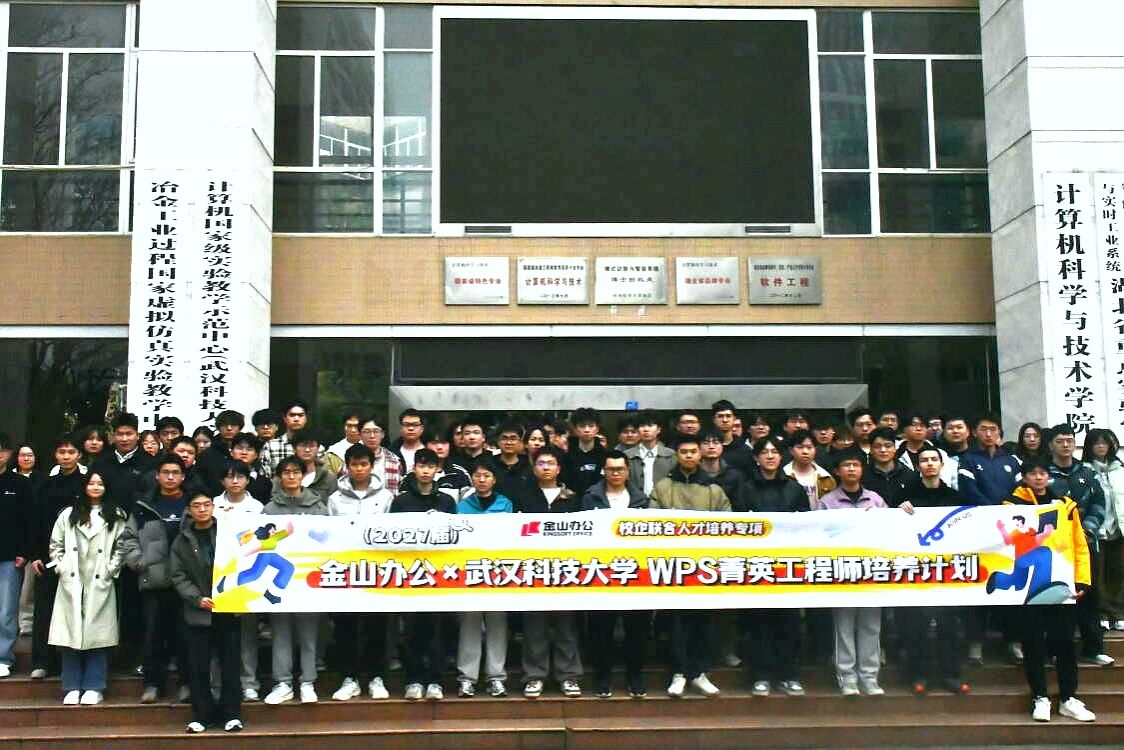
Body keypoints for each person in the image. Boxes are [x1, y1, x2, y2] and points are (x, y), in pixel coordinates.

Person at [997, 457, 1096, 723]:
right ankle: (1040, 697)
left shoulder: (1064, 505)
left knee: (1064, 643)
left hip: (1060, 583)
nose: (1039, 477)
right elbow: (1005, 544)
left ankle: (1068, 698)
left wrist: (1081, 580)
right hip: (1028, 586)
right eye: (1033, 473)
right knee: (1033, 643)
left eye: (1043, 473)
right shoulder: (1010, 506)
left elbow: (1078, 545)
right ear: (1024, 477)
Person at [650, 434, 729, 698]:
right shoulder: (663, 487)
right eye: (683, 452)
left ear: (700, 454)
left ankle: (699, 672)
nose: (688, 456)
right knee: (676, 622)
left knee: (703, 622)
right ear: (677, 455)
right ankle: (679, 672)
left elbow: (727, 525)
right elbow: (651, 523)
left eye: (693, 451)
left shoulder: (714, 490)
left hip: (705, 567)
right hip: (672, 566)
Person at [47, 470, 127, 705]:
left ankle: (94, 685)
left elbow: (121, 546)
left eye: (100, 483)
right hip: (72, 580)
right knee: (71, 634)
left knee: (97, 635)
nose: (95, 487)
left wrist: (110, 570)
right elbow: (55, 544)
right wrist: (61, 566)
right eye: (91, 483)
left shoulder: (115, 515)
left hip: (99, 580)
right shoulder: (68, 514)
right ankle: (72, 685)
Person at [896, 447, 970, 695]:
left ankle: (951, 674)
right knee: (916, 625)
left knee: (950, 624)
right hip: (916, 570)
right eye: (924, 460)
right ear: (918, 467)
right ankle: (918, 675)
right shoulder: (905, 497)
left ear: (941, 465)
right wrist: (899, 509)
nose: (929, 464)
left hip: (948, 570)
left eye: (934, 460)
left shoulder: (955, 497)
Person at [121, 453, 192, 703]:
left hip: (187, 582)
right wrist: (139, 562)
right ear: (158, 476)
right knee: (153, 635)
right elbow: (128, 538)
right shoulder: (144, 507)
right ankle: (152, 684)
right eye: (166, 473)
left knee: (186, 636)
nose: (170, 477)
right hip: (154, 579)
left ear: (183, 477)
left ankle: (186, 683)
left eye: (175, 473)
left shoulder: (193, 505)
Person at [170, 494, 244, 733]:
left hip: (227, 608)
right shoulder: (181, 540)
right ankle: (202, 715)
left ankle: (231, 714)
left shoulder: (228, 533)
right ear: (189, 510)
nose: (202, 509)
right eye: (196, 506)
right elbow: (178, 575)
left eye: (206, 505)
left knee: (230, 664)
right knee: (198, 666)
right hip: (197, 611)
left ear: (213, 507)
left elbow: (245, 561)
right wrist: (197, 598)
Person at [741, 436, 808, 697]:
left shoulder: (795, 489)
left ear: (782, 457)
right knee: (759, 624)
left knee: (789, 624)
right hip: (757, 564)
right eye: (764, 452)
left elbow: (806, 525)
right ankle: (760, 676)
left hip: (788, 565)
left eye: (774, 452)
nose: (770, 456)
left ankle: (789, 675)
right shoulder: (745, 488)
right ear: (756, 458)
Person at [817, 448, 887, 696]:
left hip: (872, 571)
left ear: (862, 469)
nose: (851, 469)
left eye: (856, 465)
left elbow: (892, 529)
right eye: (846, 465)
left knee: (871, 626)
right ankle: (847, 678)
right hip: (842, 572)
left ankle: (869, 677)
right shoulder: (827, 502)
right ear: (837, 471)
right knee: (844, 627)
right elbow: (819, 535)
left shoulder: (875, 500)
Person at [581, 450, 650, 698]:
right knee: (601, 629)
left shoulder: (641, 500)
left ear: (628, 471)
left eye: (620, 469)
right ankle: (603, 677)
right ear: (604, 471)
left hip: (635, 572)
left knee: (637, 629)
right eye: (611, 469)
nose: (616, 473)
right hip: (601, 571)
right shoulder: (591, 497)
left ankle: (635, 675)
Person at [328, 444, 394, 702]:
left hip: (377, 570)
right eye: (354, 464)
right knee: (346, 626)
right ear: (347, 467)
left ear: (371, 466)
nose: (359, 469)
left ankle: (376, 677)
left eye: (363, 464)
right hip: (345, 571)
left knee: (377, 626)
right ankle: (349, 678)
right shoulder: (335, 499)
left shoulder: (386, 496)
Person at [262, 456, 329, 705]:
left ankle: (308, 681)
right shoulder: (269, 509)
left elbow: (329, 539)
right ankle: (283, 683)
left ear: (303, 475)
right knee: (281, 632)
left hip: (308, 577)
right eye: (286, 472)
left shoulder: (317, 506)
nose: (291, 476)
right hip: (279, 578)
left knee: (308, 633)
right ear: (279, 477)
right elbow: (263, 544)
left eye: (296, 472)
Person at [520, 446, 585, 698]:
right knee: (534, 626)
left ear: (559, 468)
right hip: (532, 568)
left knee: (565, 626)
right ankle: (534, 676)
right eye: (541, 463)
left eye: (550, 463)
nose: (545, 467)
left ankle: (568, 676)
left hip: (565, 569)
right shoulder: (524, 496)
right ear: (534, 468)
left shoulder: (573, 498)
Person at [391, 452, 457, 701]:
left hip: (439, 574)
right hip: (409, 573)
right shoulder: (401, 501)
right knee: (412, 629)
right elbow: (390, 535)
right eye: (422, 466)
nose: (426, 471)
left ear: (437, 469)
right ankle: (414, 679)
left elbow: (456, 534)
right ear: (414, 468)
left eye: (431, 466)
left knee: (438, 629)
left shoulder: (446, 501)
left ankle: (436, 680)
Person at [1045, 423, 1112, 666]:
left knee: (1089, 596)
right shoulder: (1044, 473)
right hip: (1055, 547)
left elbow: (1099, 503)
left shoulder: (1087, 472)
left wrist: (1088, 528)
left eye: (1070, 441)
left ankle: (1093, 648)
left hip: (1085, 542)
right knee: (1057, 598)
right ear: (1050, 445)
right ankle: (1056, 650)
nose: (1066, 445)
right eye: (1060, 441)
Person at [960, 413, 1024, 664]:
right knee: (978, 587)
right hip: (979, 532)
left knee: (1010, 586)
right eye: (983, 429)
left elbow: (1020, 491)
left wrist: (1006, 511)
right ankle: (975, 644)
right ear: (975, 432)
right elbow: (969, 491)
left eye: (993, 429)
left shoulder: (1011, 461)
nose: (988, 434)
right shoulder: (968, 459)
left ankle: (1014, 641)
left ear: (1000, 433)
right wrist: (993, 512)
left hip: (1009, 534)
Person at [455, 456, 515, 698]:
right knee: (469, 625)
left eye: (487, 476)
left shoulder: (505, 504)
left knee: (497, 625)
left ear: (494, 479)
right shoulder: (462, 506)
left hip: (498, 572)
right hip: (469, 571)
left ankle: (496, 677)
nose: (482, 480)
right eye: (478, 475)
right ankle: (467, 678)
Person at [28, 435, 86, 679]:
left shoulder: (86, 484)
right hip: (48, 556)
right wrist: (35, 555)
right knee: (45, 610)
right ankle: (42, 661)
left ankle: (71, 663)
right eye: (62, 452)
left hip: (81, 557)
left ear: (79, 455)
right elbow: (34, 521)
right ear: (55, 455)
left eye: (71, 452)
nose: (66, 456)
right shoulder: (45, 484)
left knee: (76, 609)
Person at [210, 461, 265, 702]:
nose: (235, 481)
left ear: (247, 480)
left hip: (248, 575)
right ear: (222, 481)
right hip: (218, 574)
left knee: (247, 635)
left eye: (240, 477)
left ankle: (249, 683)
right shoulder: (212, 504)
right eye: (230, 477)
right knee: (217, 636)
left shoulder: (258, 507)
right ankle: (216, 684)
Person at [1083, 429, 1124, 631]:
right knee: (1097, 574)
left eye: (1104, 443)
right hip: (1096, 529)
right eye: (1097, 443)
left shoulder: (1119, 469)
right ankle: (1101, 613)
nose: (1101, 446)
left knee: (1117, 573)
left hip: (1119, 528)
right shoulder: (1085, 470)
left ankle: (1117, 612)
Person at [0, 433, 30, 679]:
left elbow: (27, 521)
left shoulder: (19, 483)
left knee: (6, 610)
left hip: (10, 555)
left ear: (9, 454)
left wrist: (24, 551)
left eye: (2, 450)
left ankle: (3, 656)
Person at [260, 400, 323, 478]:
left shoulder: (317, 448)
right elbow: (265, 478)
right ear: (284, 418)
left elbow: (322, 475)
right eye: (292, 415)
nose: (296, 419)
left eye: (300, 415)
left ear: (306, 418)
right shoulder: (271, 446)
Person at [624, 410, 676, 497]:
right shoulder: (627, 455)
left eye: (650, 425)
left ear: (658, 430)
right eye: (642, 426)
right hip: (635, 502)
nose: (646, 429)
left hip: (663, 501)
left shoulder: (670, 455)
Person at [195, 410, 246, 496]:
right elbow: (199, 480)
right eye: (225, 425)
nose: (229, 428)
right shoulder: (207, 454)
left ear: (240, 427)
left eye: (233, 425)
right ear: (218, 427)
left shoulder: (246, 451)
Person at [783, 429, 836, 510]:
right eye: (800, 447)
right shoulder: (783, 476)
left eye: (809, 447)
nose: (805, 452)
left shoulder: (826, 478)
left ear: (815, 449)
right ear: (791, 450)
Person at [698, 430, 745, 513]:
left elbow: (739, 507)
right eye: (706, 443)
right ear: (698, 448)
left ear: (722, 446)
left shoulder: (734, 476)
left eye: (716, 443)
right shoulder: (693, 474)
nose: (711, 446)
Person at [563, 407, 606, 499]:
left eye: (591, 426)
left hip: (597, 500)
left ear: (597, 429)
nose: (587, 430)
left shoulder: (604, 455)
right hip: (571, 499)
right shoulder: (567, 454)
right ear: (575, 429)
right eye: (582, 426)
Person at [865, 427, 913, 508]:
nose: (883, 450)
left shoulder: (909, 475)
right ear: (871, 449)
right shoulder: (863, 476)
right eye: (877, 446)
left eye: (888, 446)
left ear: (895, 448)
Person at [286, 429, 339, 500]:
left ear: (318, 448)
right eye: (303, 446)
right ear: (294, 448)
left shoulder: (328, 478)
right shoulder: (283, 475)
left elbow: (334, 503)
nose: (307, 450)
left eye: (311, 446)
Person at [356, 416, 402, 494]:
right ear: (360, 435)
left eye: (376, 431)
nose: (372, 436)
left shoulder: (394, 460)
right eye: (367, 432)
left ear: (382, 434)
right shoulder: (351, 459)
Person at [492, 422, 532, 512]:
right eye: (504, 438)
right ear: (498, 441)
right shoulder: (489, 465)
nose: (508, 442)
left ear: (520, 442)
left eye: (513, 438)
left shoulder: (529, 467)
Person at [711, 400, 753, 474]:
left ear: (734, 419)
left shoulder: (745, 450)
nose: (725, 420)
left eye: (728, 416)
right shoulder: (708, 448)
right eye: (720, 416)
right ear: (714, 419)